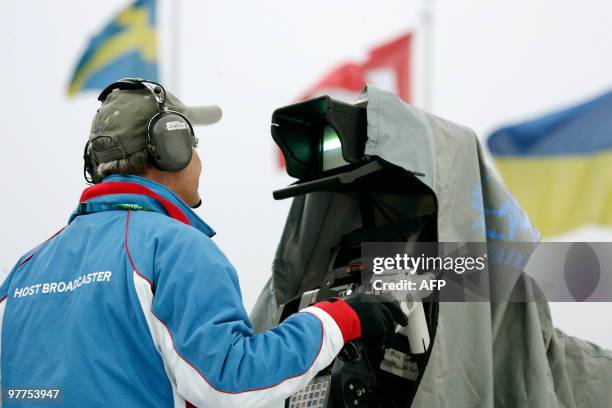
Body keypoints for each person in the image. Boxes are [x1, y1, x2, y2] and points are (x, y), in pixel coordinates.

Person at [0, 79, 406, 407]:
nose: (198, 157)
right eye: (193, 144)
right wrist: (340, 318)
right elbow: (228, 382)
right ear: (170, 150)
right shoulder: (175, 249)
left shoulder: (25, 268)